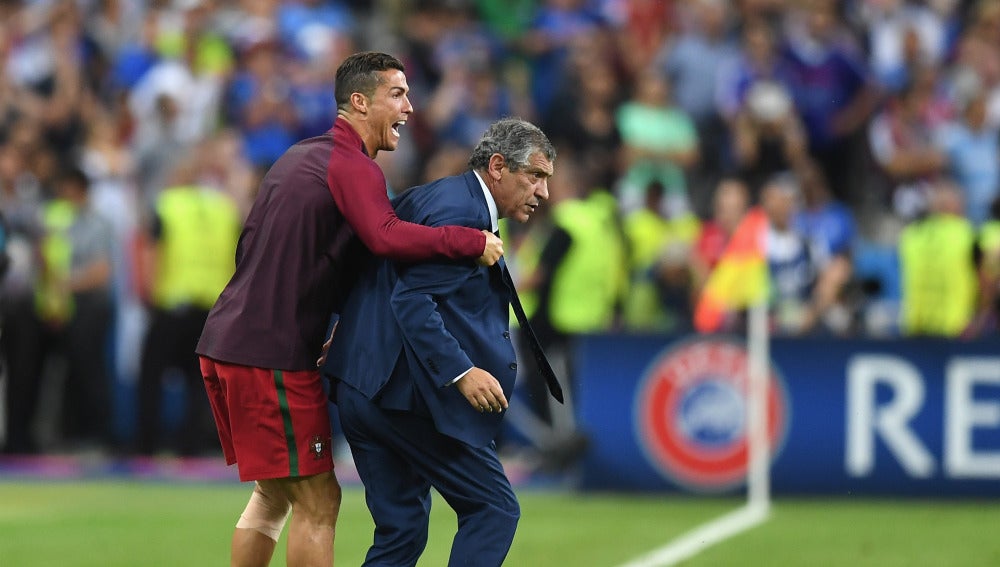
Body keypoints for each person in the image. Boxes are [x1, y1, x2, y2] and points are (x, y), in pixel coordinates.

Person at [195, 52, 503, 567]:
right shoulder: (351, 164)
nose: (409, 107)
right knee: (319, 501)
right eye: (397, 95)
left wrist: (339, 320)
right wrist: (468, 241)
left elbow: (259, 251)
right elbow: (386, 236)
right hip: (272, 356)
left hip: (230, 342)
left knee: (274, 495)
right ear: (359, 102)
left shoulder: (298, 158)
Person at [324, 118, 558, 566]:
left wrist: (348, 323)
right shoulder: (463, 214)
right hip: (402, 397)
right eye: (535, 175)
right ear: (497, 167)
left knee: (401, 532)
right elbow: (412, 300)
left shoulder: (438, 196)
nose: (543, 192)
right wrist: (461, 371)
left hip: (362, 387)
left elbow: (369, 256)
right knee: (493, 508)